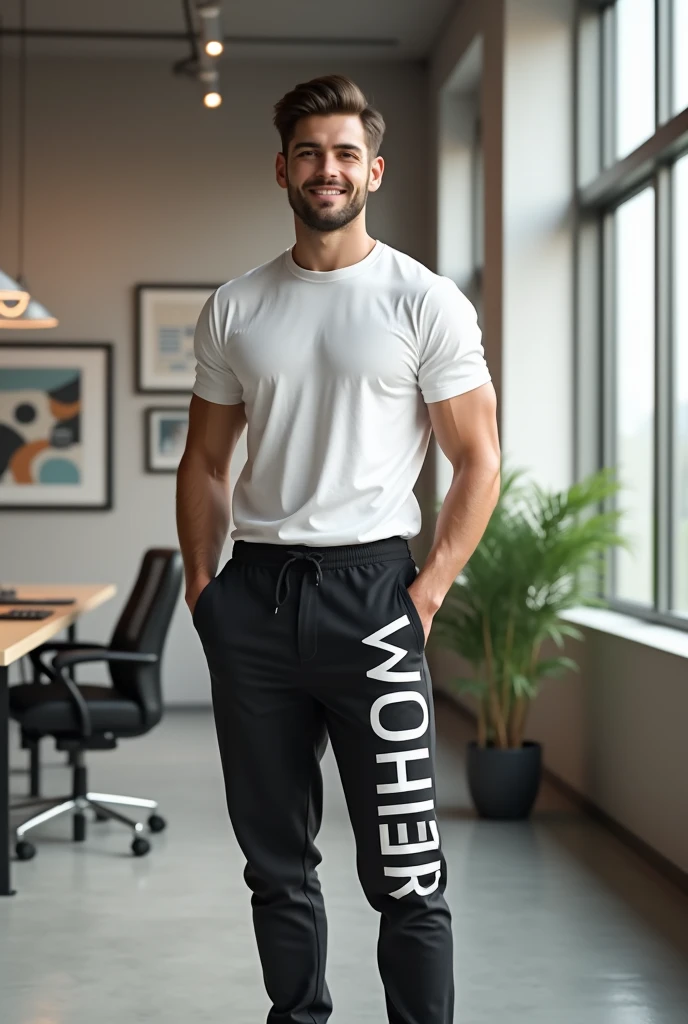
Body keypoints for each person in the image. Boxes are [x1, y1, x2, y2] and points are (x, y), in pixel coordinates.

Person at [176, 74, 500, 1024]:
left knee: (407, 870)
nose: (329, 169)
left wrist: (427, 594)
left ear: (375, 170)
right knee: (275, 865)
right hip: (259, 596)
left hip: (375, 598)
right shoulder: (235, 307)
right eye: (311, 152)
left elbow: (478, 460)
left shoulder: (422, 300)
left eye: (346, 153)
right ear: (283, 167)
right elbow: (204, 464)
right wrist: (205, 592)